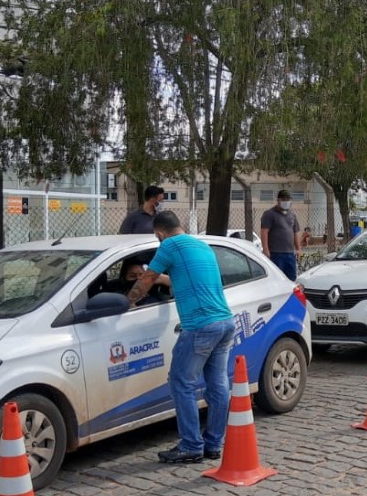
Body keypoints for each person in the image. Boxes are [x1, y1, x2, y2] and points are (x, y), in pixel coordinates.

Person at [127, 211, 235, 463]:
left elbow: (146, 280)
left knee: (181, 382)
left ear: (159, 234)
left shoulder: (169, 245)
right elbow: (185, 279)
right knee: (218, 385)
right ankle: (213, 444)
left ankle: (190, 445)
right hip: (224, 322)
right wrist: (162, 280)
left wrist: (128, 301)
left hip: (200, 326)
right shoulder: (202, 246)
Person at [260, 189, 302, 279]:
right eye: (283, 199)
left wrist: (298, 249)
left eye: (288, 199)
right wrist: (266, 250)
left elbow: (296, 232)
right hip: (276, 253)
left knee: (291, 279)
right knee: (278, 279)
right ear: (278, 200)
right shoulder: (269, 214)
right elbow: (264, 231)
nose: (286, 202)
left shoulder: (292, 215)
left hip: (290, 254)